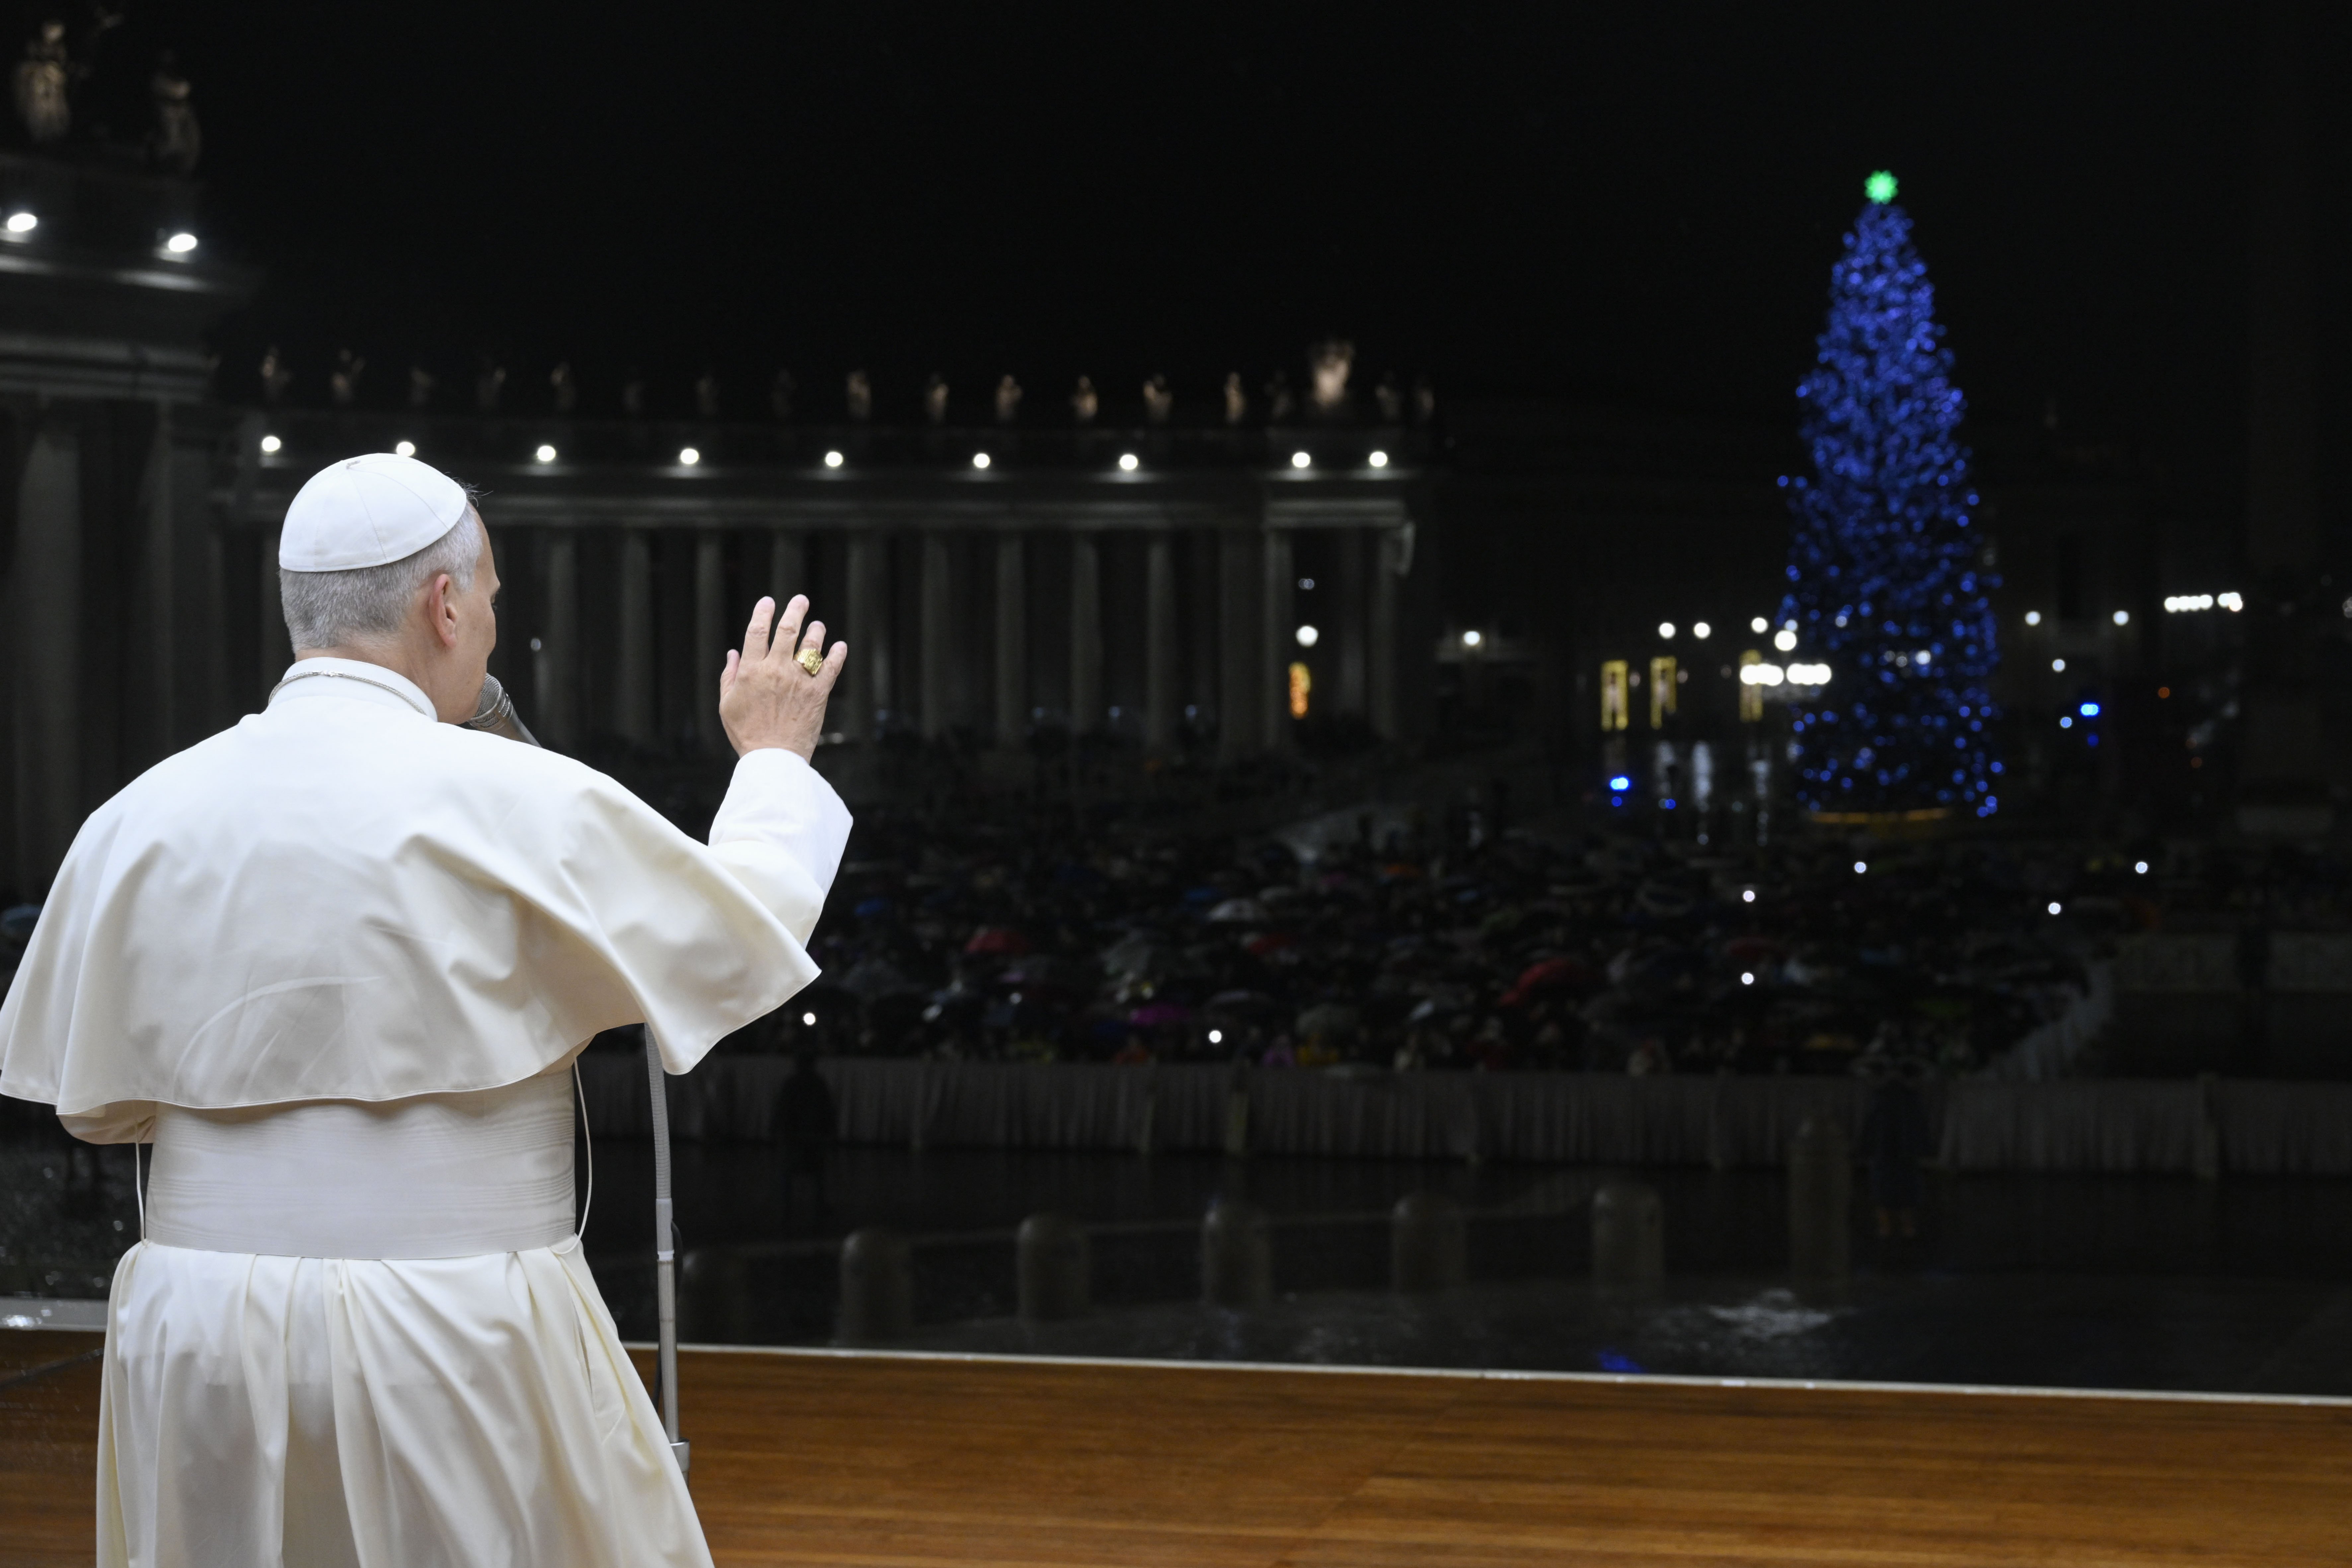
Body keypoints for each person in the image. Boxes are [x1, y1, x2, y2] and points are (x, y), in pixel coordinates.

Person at [0, 452, 853, 1568]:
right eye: (491, 599)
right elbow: (733, 935)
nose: (493, 630)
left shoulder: (132, 821)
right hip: (456, 1327)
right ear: (444, 605)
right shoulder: (513, 797)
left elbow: (96, 1106)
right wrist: (776, 758)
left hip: (195, 1332)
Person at [775, 1050, 836, 1225]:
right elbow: (827, 1110)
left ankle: (787, 1204)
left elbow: (782, 1110)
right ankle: (817, 1203)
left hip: (796, 1135)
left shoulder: (793, 1083)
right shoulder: (817, 1083)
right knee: (817, 1171)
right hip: (811, 1134)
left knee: (790, 1171)